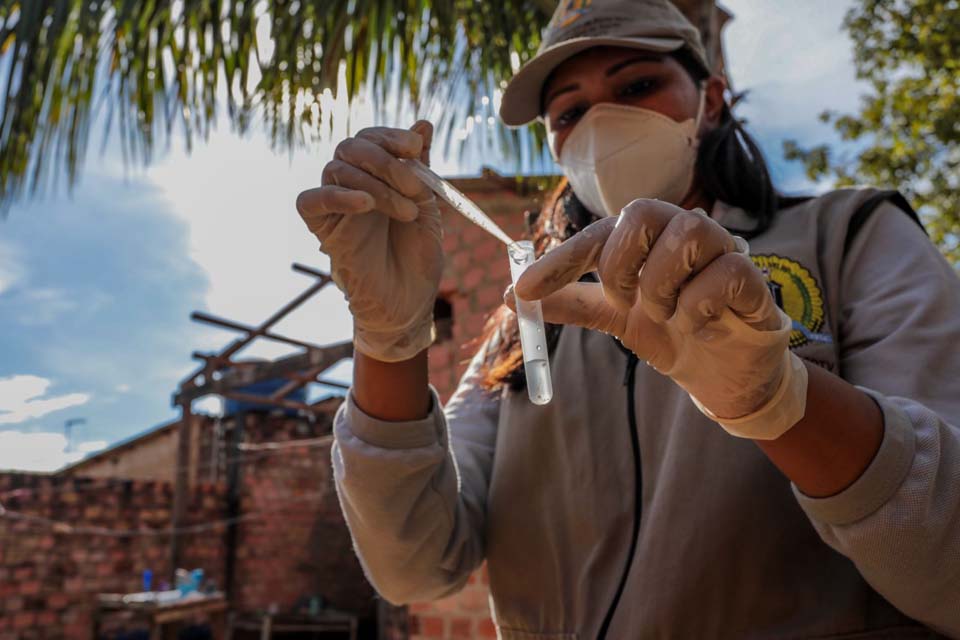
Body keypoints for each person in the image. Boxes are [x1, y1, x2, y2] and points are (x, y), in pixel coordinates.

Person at [294, 0, 960, 637]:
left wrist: (781, 403)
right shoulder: (529, 323)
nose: (601, 123)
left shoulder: (849, 236)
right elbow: (414, 566)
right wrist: (389, 341)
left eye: (638, 85)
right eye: (569, 112)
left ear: (711, 99)